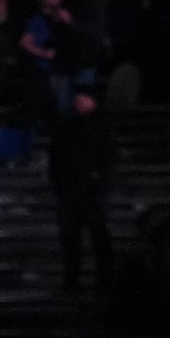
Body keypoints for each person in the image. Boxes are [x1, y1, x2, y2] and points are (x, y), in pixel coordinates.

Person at [52, 87, 116, 292]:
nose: (79, 102)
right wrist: (57, 183)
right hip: (70, 192)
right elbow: (56, 156)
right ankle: (71, 282)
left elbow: (110, 157)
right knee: (71, 241)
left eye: (84, 98)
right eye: (78, 98)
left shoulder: (102, 126)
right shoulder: (67, 124)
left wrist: (99, 180)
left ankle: (104, 282)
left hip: (91, 193)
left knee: (99, 240)